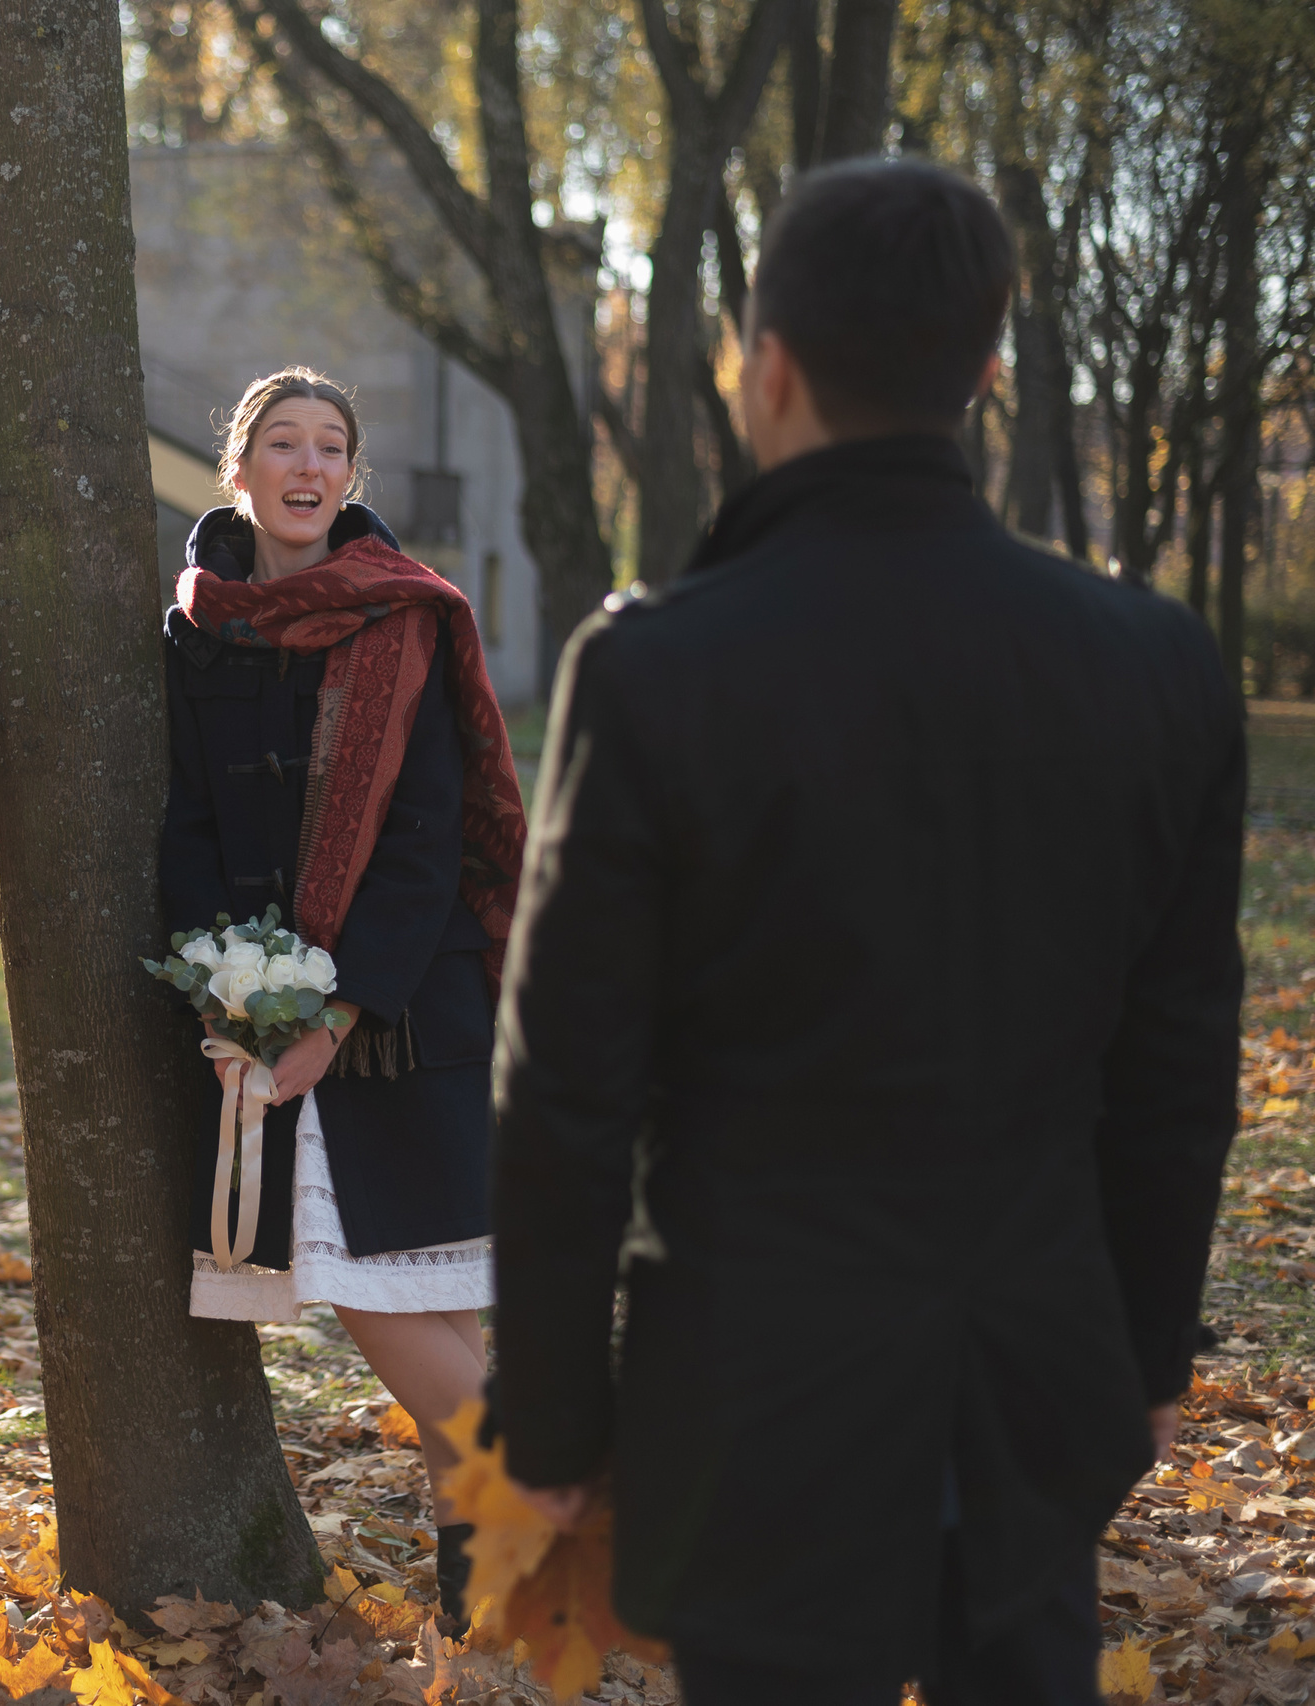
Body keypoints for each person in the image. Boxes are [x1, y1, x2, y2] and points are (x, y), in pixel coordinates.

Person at [491, 158, 1242, 1705]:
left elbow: (568, 1087)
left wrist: (553, 1421)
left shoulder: (659, 671)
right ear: (982, 372)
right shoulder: (1155, 662)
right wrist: (1147, 1355)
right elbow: (1177, 1068)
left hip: (755, 1379)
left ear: (767, 369)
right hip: (1038, 1359)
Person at [158, 368, 525, 1629]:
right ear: (241, 467)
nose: (307, 467)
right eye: (281, 443)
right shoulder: (198, 624)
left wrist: (335, 1014)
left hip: (407, 1020)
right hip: (258, 1009)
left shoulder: (401, 615)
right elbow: (192, 822)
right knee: (439, 1345)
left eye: (331, 448)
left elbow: (426, 842)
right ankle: (489, 1620)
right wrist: (229, 989)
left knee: (400, 1301)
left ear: (349, 476)